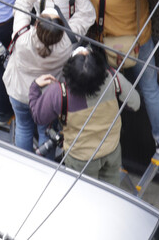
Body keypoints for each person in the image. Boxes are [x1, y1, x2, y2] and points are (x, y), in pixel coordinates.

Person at [2, 0, 95, 152]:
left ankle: (25, 161)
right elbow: (88, 14)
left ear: (36, 23)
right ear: (63, 26)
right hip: (47, 97)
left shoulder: (22, 37)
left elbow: (21, 4)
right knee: (46, 133)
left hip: (19, 91)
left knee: (23, 127)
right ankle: (47, 167)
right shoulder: (68, 40)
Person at [79, 0, 159, 157]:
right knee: (150, 89)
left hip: (112, 49)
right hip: (140, 44)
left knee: (110, 90)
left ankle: (110, 137)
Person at [28, 42, 141, 182]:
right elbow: (135, 103)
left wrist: (34, 88)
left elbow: (38, 117)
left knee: (86, 195)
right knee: (111, 194)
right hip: (111, 149)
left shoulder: (58, 93)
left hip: (81, 158)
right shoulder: (113, 78)